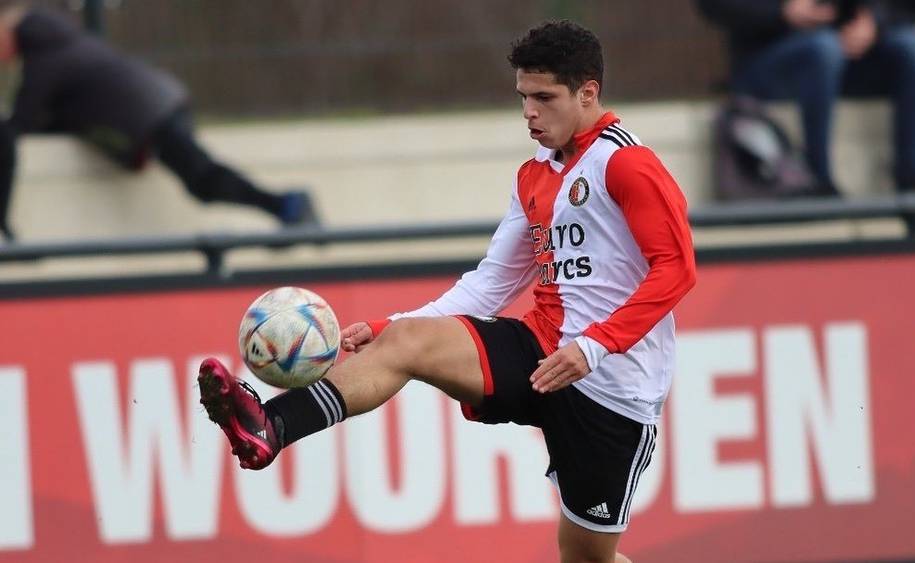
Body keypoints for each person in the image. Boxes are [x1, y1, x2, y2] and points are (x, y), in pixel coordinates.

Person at [198, 20, 696, 563]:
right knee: (410, 344)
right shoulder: (533, 174)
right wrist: (394, 325)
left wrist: (594, 347)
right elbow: (492, 282)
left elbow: (676, 270)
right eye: (523, 97)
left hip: (612, 388)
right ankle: (272, 425)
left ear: (588, 93)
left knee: (586, 558)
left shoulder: (627, 163)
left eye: (544, 98)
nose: (529, 112)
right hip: (540, 350)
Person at [0, 3, 317, 242]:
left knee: (203, 178)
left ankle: (288, 205)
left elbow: (22, 120)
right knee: (202, 179)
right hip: (157, 107)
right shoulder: (64, 44)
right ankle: (284, 206)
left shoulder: (47, 58)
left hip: (151, 114)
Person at [697, 0, 915, 192]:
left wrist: (872, 20)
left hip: (849, 53)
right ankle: (818, 179)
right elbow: (714, 6)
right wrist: (781, 11)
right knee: (823, 48)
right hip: (768, 58)